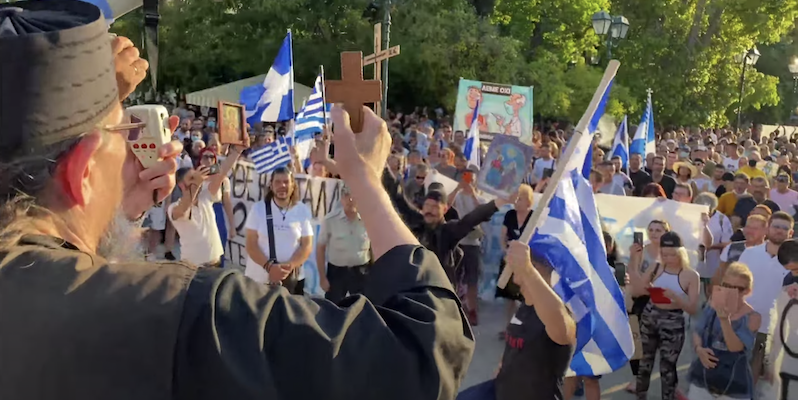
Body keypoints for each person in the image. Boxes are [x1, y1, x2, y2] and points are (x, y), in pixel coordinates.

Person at [0, 5, 474, 398]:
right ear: (82, 171)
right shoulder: (189, 311)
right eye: (125, 133)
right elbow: (422, 355)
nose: (133, 151)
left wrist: (109, 212)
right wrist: (366, 178)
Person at [457, 242, 576, 400]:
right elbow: (515, 345)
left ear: (535, 269)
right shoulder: (524, 307)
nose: (515, 278)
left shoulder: (556, 312)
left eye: (516, 269)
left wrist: (527, 270)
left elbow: (563, 331)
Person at [382, 165, 504, 284]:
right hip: (416, 285)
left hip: (440, 288)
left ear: (445, 209)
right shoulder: (418, 221)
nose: (430, 210)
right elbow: (399, 197)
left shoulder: (449, 231)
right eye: (427, 206)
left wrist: (499, 202)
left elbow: (470, 220)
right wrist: (382, 165)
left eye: (435, 207)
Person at [629, 231, 700, 400]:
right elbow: (638, 290)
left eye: (672, 255)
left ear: (681, 253)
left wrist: (675, 298)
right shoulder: (655, 267)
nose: (667, 258)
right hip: (650, 315)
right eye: (664, 254)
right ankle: (640, 396)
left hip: (673, 320)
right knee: (644, 364)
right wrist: (635, 263)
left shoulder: (690, 275)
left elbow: (692, 309)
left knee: (667, 367)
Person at [736, 211, 795, 384]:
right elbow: (736, 284)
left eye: (785, 228)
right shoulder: (749, 253)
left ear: (791, 233)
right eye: (776, 226)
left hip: (778, 329)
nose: (780, 231)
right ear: (768, 229)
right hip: (746, 322)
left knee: (773, 381)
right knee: (742, 376)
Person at [687, 263, 761, 400]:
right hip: (703, 378)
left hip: (733, 384)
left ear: (747, 291)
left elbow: (736, 347)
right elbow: (698, 330)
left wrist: (724, 320)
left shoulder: (753, 317)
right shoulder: (712, 305)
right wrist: (699, 349)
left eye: (736, 288)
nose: (729, 291)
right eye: (726, 285)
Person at [244, 167, 313, 294]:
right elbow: (251, 244)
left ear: (293, 185)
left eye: (286, 182)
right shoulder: (258, 209)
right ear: (271, 185)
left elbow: (307, 245)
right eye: (277, 182)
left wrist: (288, 267)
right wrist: (270, 267)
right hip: (259, 279)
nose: (282, 185)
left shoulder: (302, 210)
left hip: (291, 280)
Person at [316, 185, 372, 303]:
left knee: (362, 310)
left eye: (354, 195)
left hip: (361, 273)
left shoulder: (369, 219)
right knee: (333, 310)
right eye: (346, 195)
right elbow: (320, 248)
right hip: (337, 273)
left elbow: (374, 248)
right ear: (341, 199)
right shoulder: (330, 220)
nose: (350, 199)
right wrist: (322, 278)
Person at [496, 184, 534, 338]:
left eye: (520, 199)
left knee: (526, 298)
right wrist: (505, 250)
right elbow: (503, 236)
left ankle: (524, 331)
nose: (516, 202)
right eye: (516, 198)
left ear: (528, 202)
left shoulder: (533, 217)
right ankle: (508, 329)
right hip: (509, 259)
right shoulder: (510, 215)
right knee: (510, 299)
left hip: (527, 262)